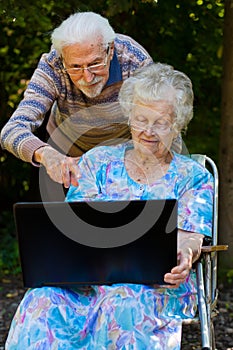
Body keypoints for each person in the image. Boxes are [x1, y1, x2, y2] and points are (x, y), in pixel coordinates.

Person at [5, 63, 213, 349]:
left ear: (178, 124)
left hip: (156, 286)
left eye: (161, 123)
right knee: (41, 299)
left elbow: (190, 237)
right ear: (129, 117)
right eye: (141, 119)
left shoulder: (194, 176)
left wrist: (184, 257)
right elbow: (74, 227)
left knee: (124, 301)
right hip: (88, 282)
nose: (149, 131)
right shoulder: (98, 161)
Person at [0, 11, 154, 193]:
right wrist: (47, 154)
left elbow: (158, 122)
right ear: (63, 58)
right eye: (75, 67)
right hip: (67, 159)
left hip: (124, 157)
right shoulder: (53, 65)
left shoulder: (134, 61)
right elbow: (11, 130)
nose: (87, 78)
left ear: (110, 50)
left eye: (95, 64)